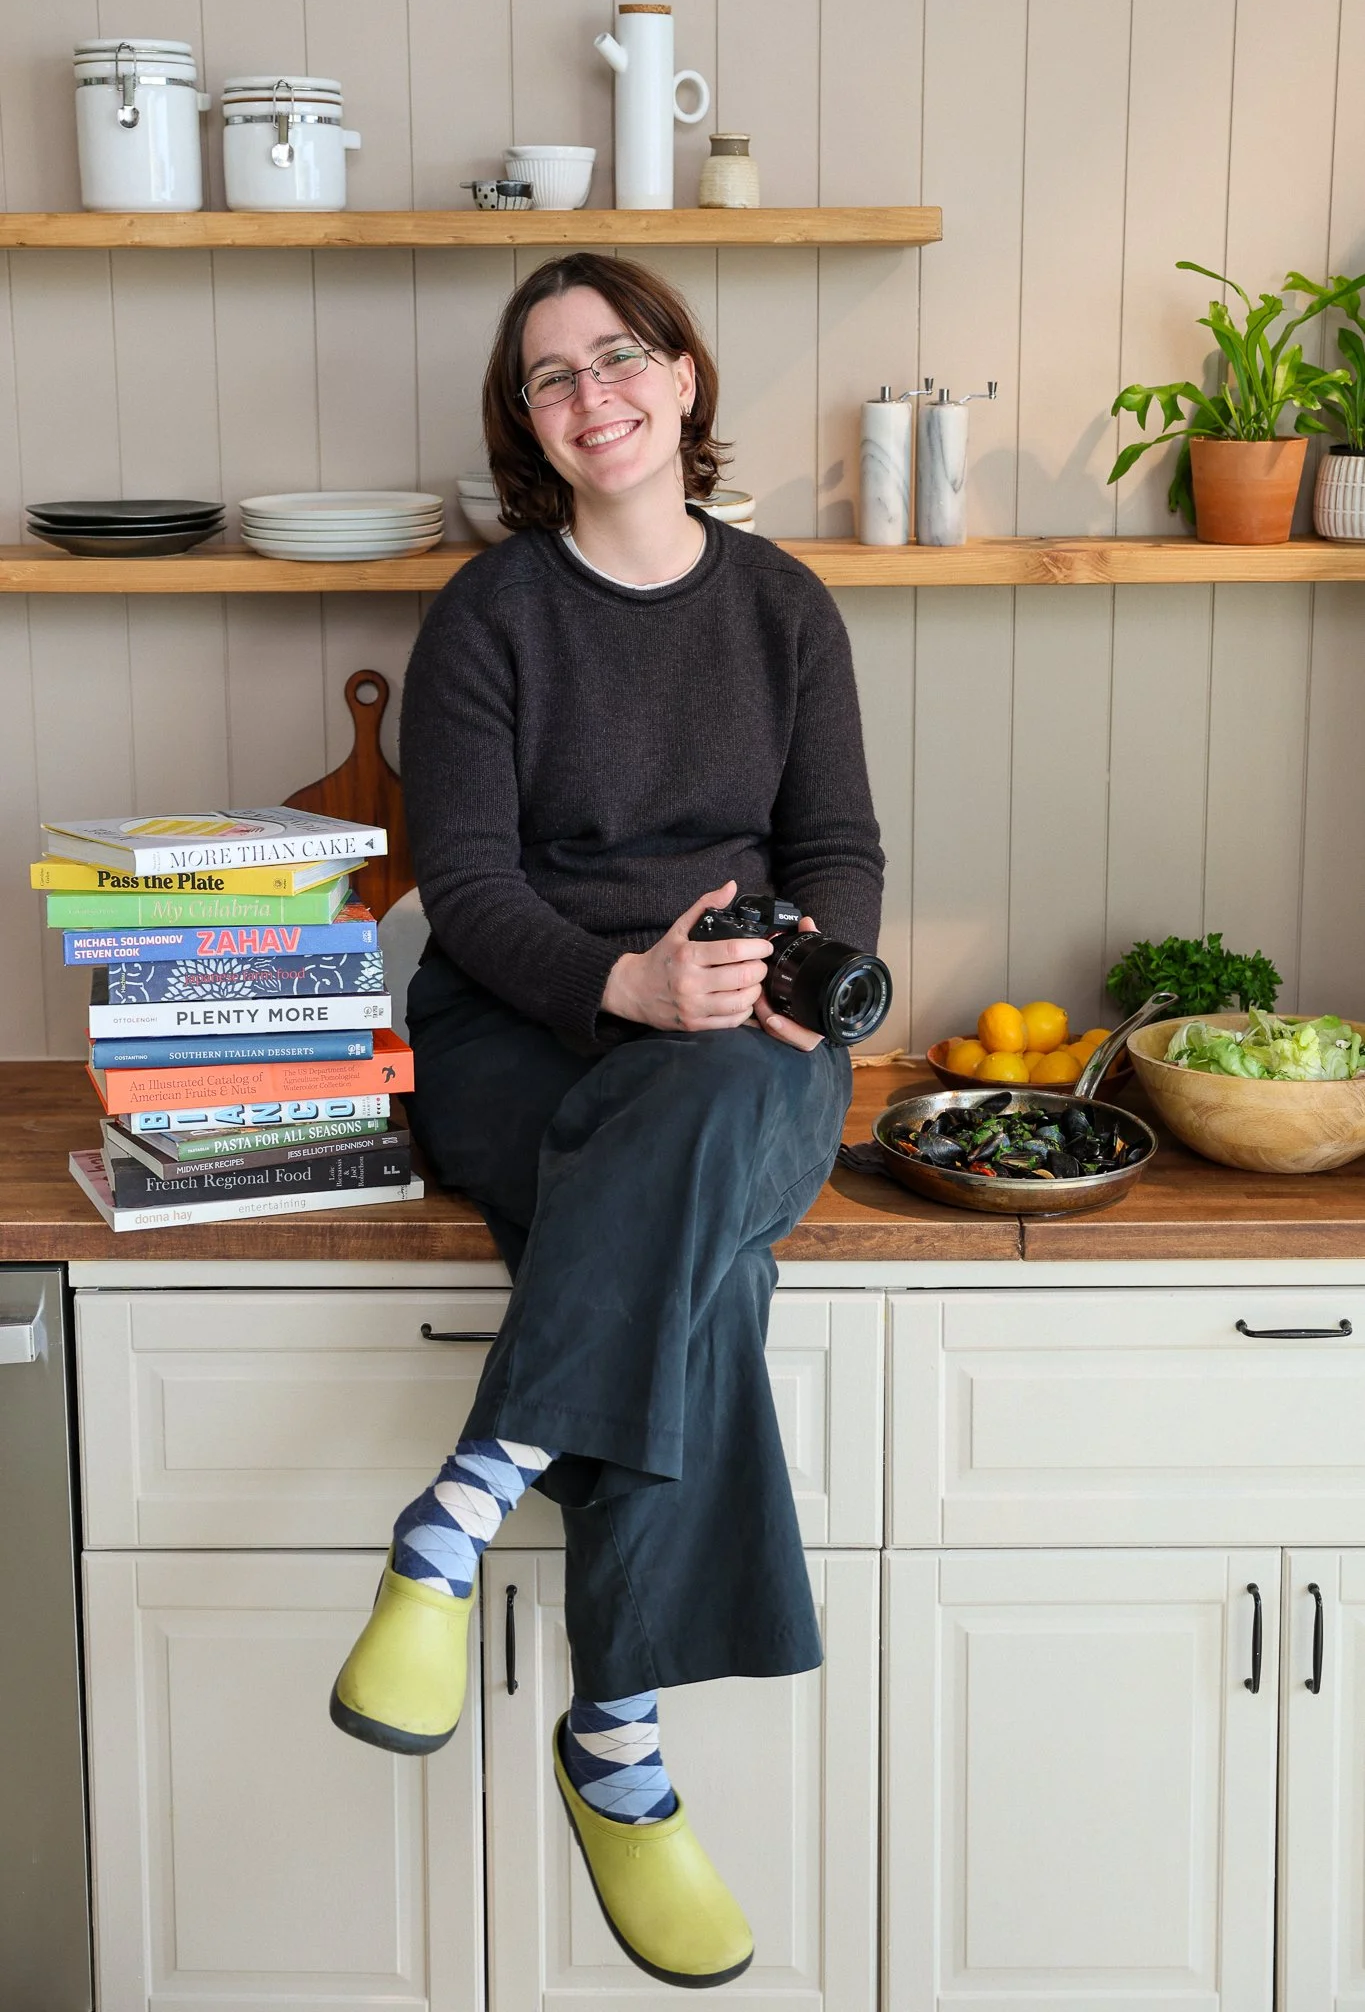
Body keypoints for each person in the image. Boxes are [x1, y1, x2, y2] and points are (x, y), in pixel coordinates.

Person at [329, 251, 884, 1990]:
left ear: (687, 379)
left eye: (620, 357)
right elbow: (467, 882)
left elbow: (841, 856)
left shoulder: (785, 606)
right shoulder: (491, 615)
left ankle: (462, 1510)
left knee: (711, 1111)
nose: (596, 396)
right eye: (553, 379)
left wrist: (790, 973)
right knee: (698, 1263)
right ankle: (619, 1755)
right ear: (531, 426)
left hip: (745, 1035)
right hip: (526, 1027)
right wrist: (624, 988)